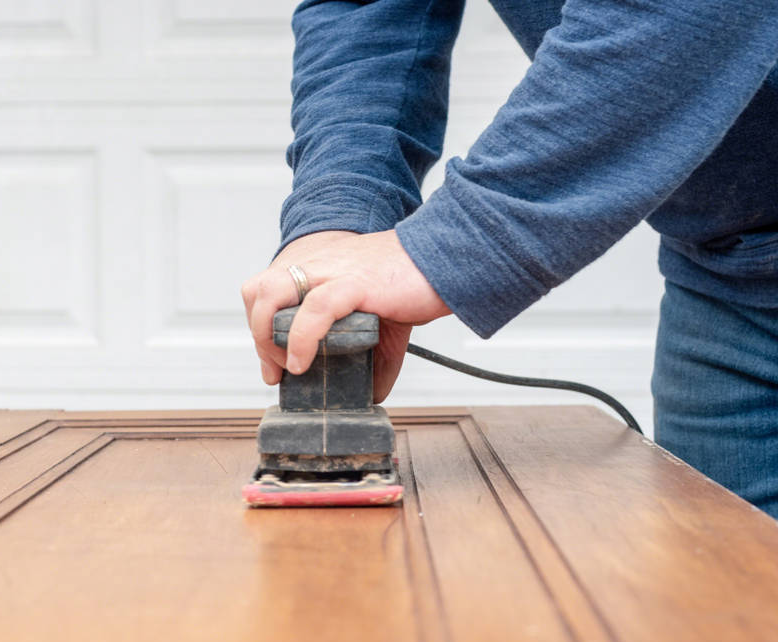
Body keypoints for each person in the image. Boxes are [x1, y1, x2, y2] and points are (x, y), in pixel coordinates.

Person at [241, 0, 778, 516]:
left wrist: (447, 246)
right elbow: (367, 7)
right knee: (723, 595)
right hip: (727, 272)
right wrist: (340, 214)